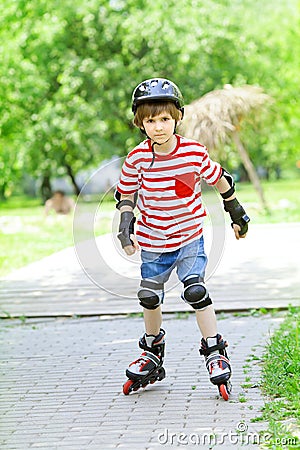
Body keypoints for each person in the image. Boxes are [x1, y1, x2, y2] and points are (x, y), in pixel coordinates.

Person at [115, 78, 250, 399]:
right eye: (150, 120)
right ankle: (152, 351)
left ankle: (215, 350)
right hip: (153, 240)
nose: (158, 127)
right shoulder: (136, 159)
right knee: (149, 295)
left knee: (195, 289)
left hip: (189, 236)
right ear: (140, 123)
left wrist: (237, 213)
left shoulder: (192, 152)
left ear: (177, 117)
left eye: (164, 119)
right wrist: (125, 226)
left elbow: (221, 180)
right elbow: (126, 193)